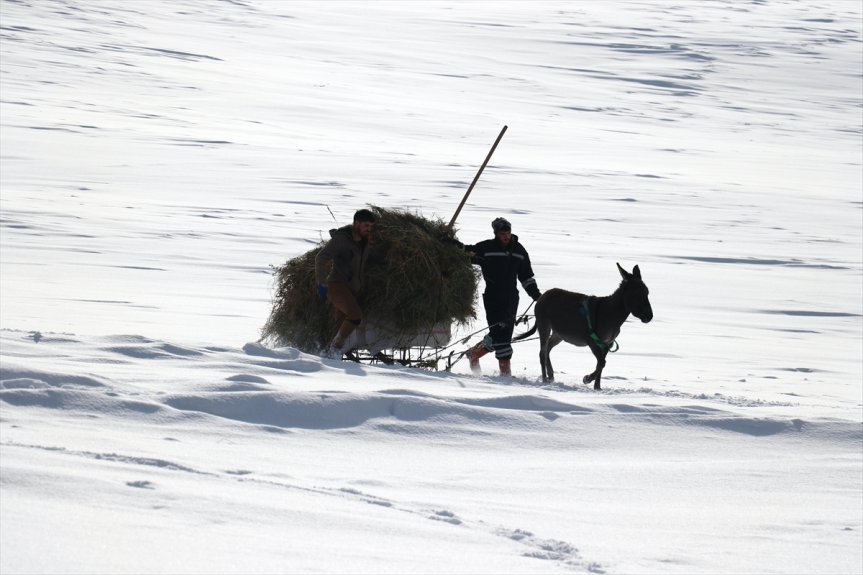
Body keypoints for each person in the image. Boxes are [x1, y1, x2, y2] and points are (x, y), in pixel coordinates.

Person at [462, 217, 541, 376]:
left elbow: (526, 277)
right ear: (496, 234)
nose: (506, 236)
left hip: (512, 299)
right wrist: (453, 246)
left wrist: (537, 295)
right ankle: (505, 377)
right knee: (501, 337)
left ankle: (474, 354)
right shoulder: (487, 248)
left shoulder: (519, 250)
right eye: (502, 233)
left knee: (500, 335)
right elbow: (467, 252)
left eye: (508, 233)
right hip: (493, 298)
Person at [315, 209, 376, 357]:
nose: (369, 229)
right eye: (366, 225)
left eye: (370, 226)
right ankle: (336, 347)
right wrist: (321, 283)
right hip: (337, 285)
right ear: (356, 223)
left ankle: (327, 353)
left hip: (352, 289)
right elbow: (321, 257)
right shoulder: (342, 239)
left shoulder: (364, 241)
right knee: (355, 315)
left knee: (340, 323)